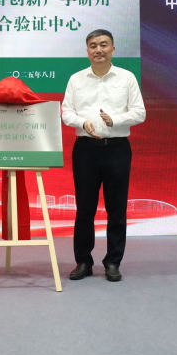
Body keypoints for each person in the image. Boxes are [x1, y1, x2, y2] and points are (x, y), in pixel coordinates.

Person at [61, 29, 146, 282]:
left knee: (116, 208)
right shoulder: (76, 79)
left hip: (117, 149)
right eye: (93, 45)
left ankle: (113, 262)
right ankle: (83, 262)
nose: (98, 50)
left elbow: (139, 112)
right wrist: (82, 122)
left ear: (113, 49)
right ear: (87, 50)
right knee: (84, 209)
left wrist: (115, 120)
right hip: (85, 150)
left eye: (103, 45)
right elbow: (66, 112)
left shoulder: (126, 78)